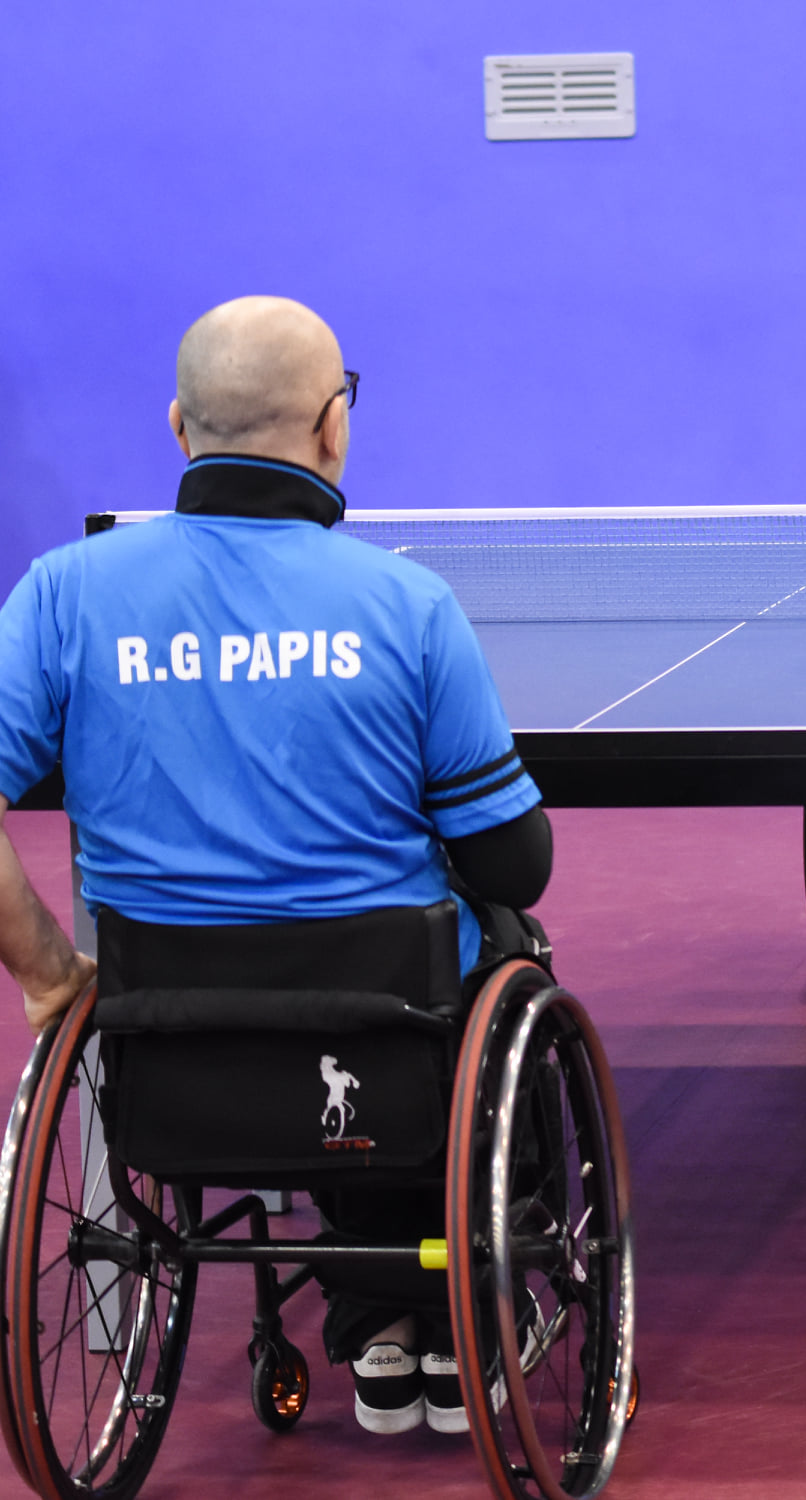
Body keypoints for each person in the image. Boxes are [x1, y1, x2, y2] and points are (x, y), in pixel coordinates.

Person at [0, 295, 551, 1437]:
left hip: (165, 1019)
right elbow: (513, 859)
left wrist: (51, 974)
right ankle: (468, 1302)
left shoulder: (61, 592)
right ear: (333, 426)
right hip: (386, 1012)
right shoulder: (407, 605)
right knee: (506, 953)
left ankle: (374, 1320)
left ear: (178, 426)